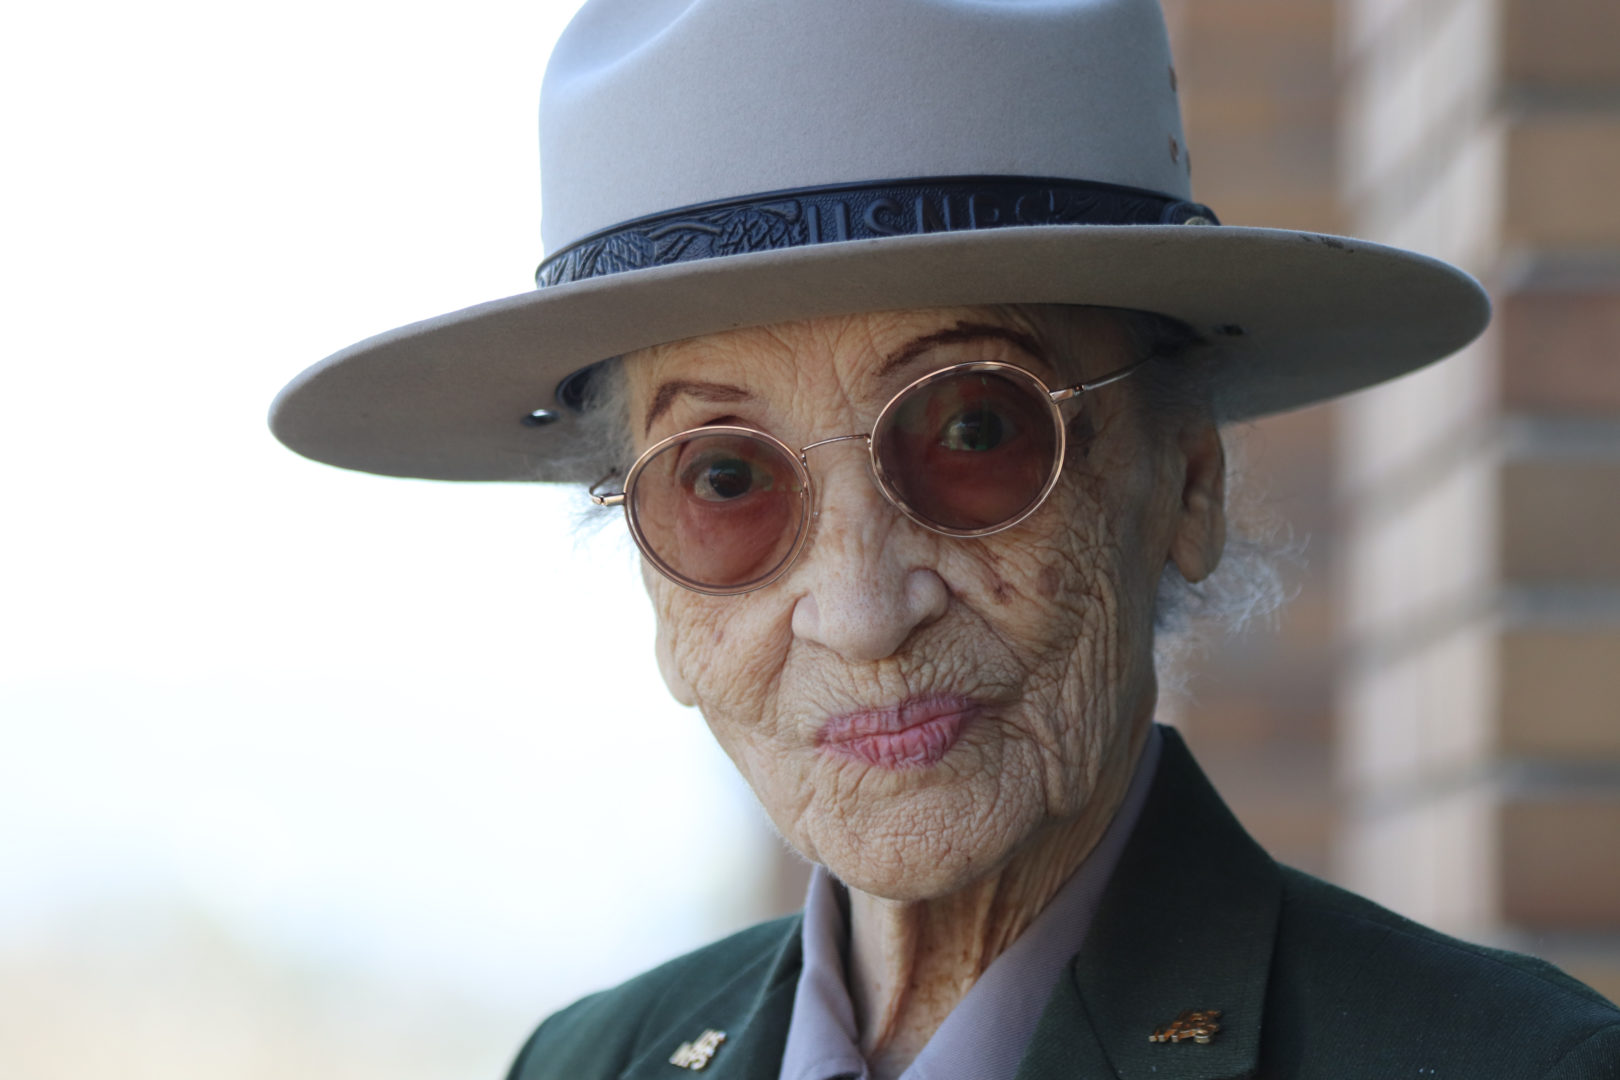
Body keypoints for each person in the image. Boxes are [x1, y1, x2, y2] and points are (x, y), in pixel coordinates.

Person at [269, 0, 1620, 1076]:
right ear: (651, 578)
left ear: (1185, 484)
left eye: (976, 435)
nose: (860, 608)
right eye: (727, 476)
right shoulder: (586, 1063)